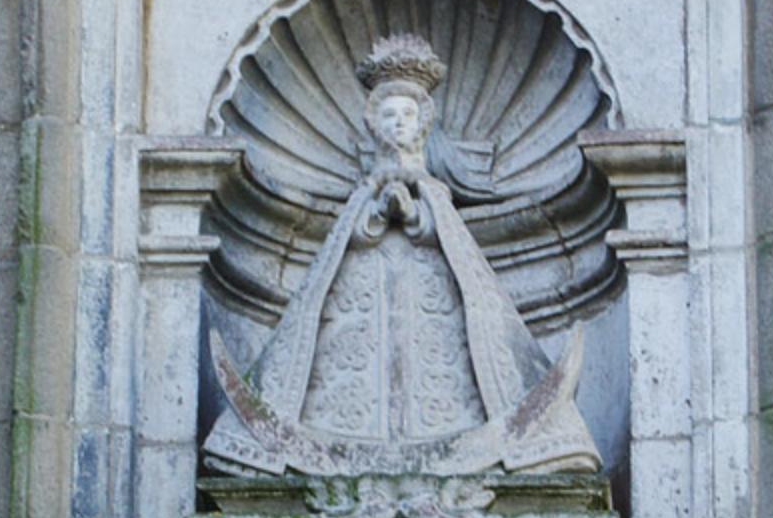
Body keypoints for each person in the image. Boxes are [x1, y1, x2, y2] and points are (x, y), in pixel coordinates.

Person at [203, 34, 602, 477]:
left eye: (407, 115)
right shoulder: (364, 193)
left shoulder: (434, 192)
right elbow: (345, 240)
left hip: (430, 289)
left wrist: (416, 217)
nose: (398, 123)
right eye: (389, 115)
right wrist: (374, 216)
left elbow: (451, 242)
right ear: (374, 123)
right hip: (363, 292)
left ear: (423, 123)